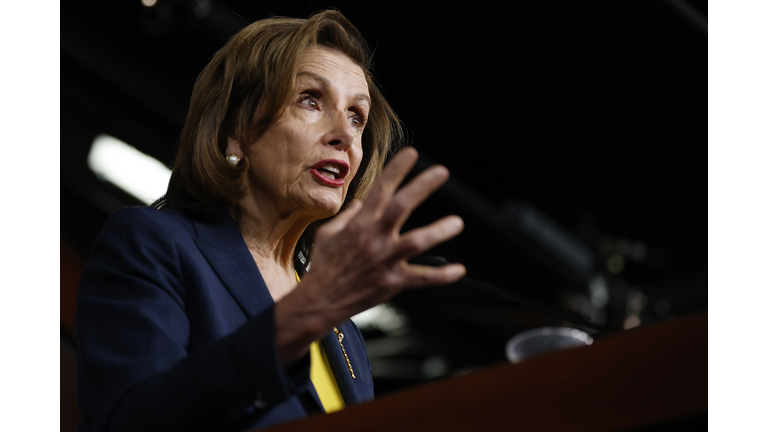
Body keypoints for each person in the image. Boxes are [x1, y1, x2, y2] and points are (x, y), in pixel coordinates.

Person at [74, 10, 465, 432]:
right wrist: (306, 312)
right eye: (311, 100)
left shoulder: (344, 332)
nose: (346, 135)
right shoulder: (153, 243)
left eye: (356, 116)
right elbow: (134, 422)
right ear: (235, 129)